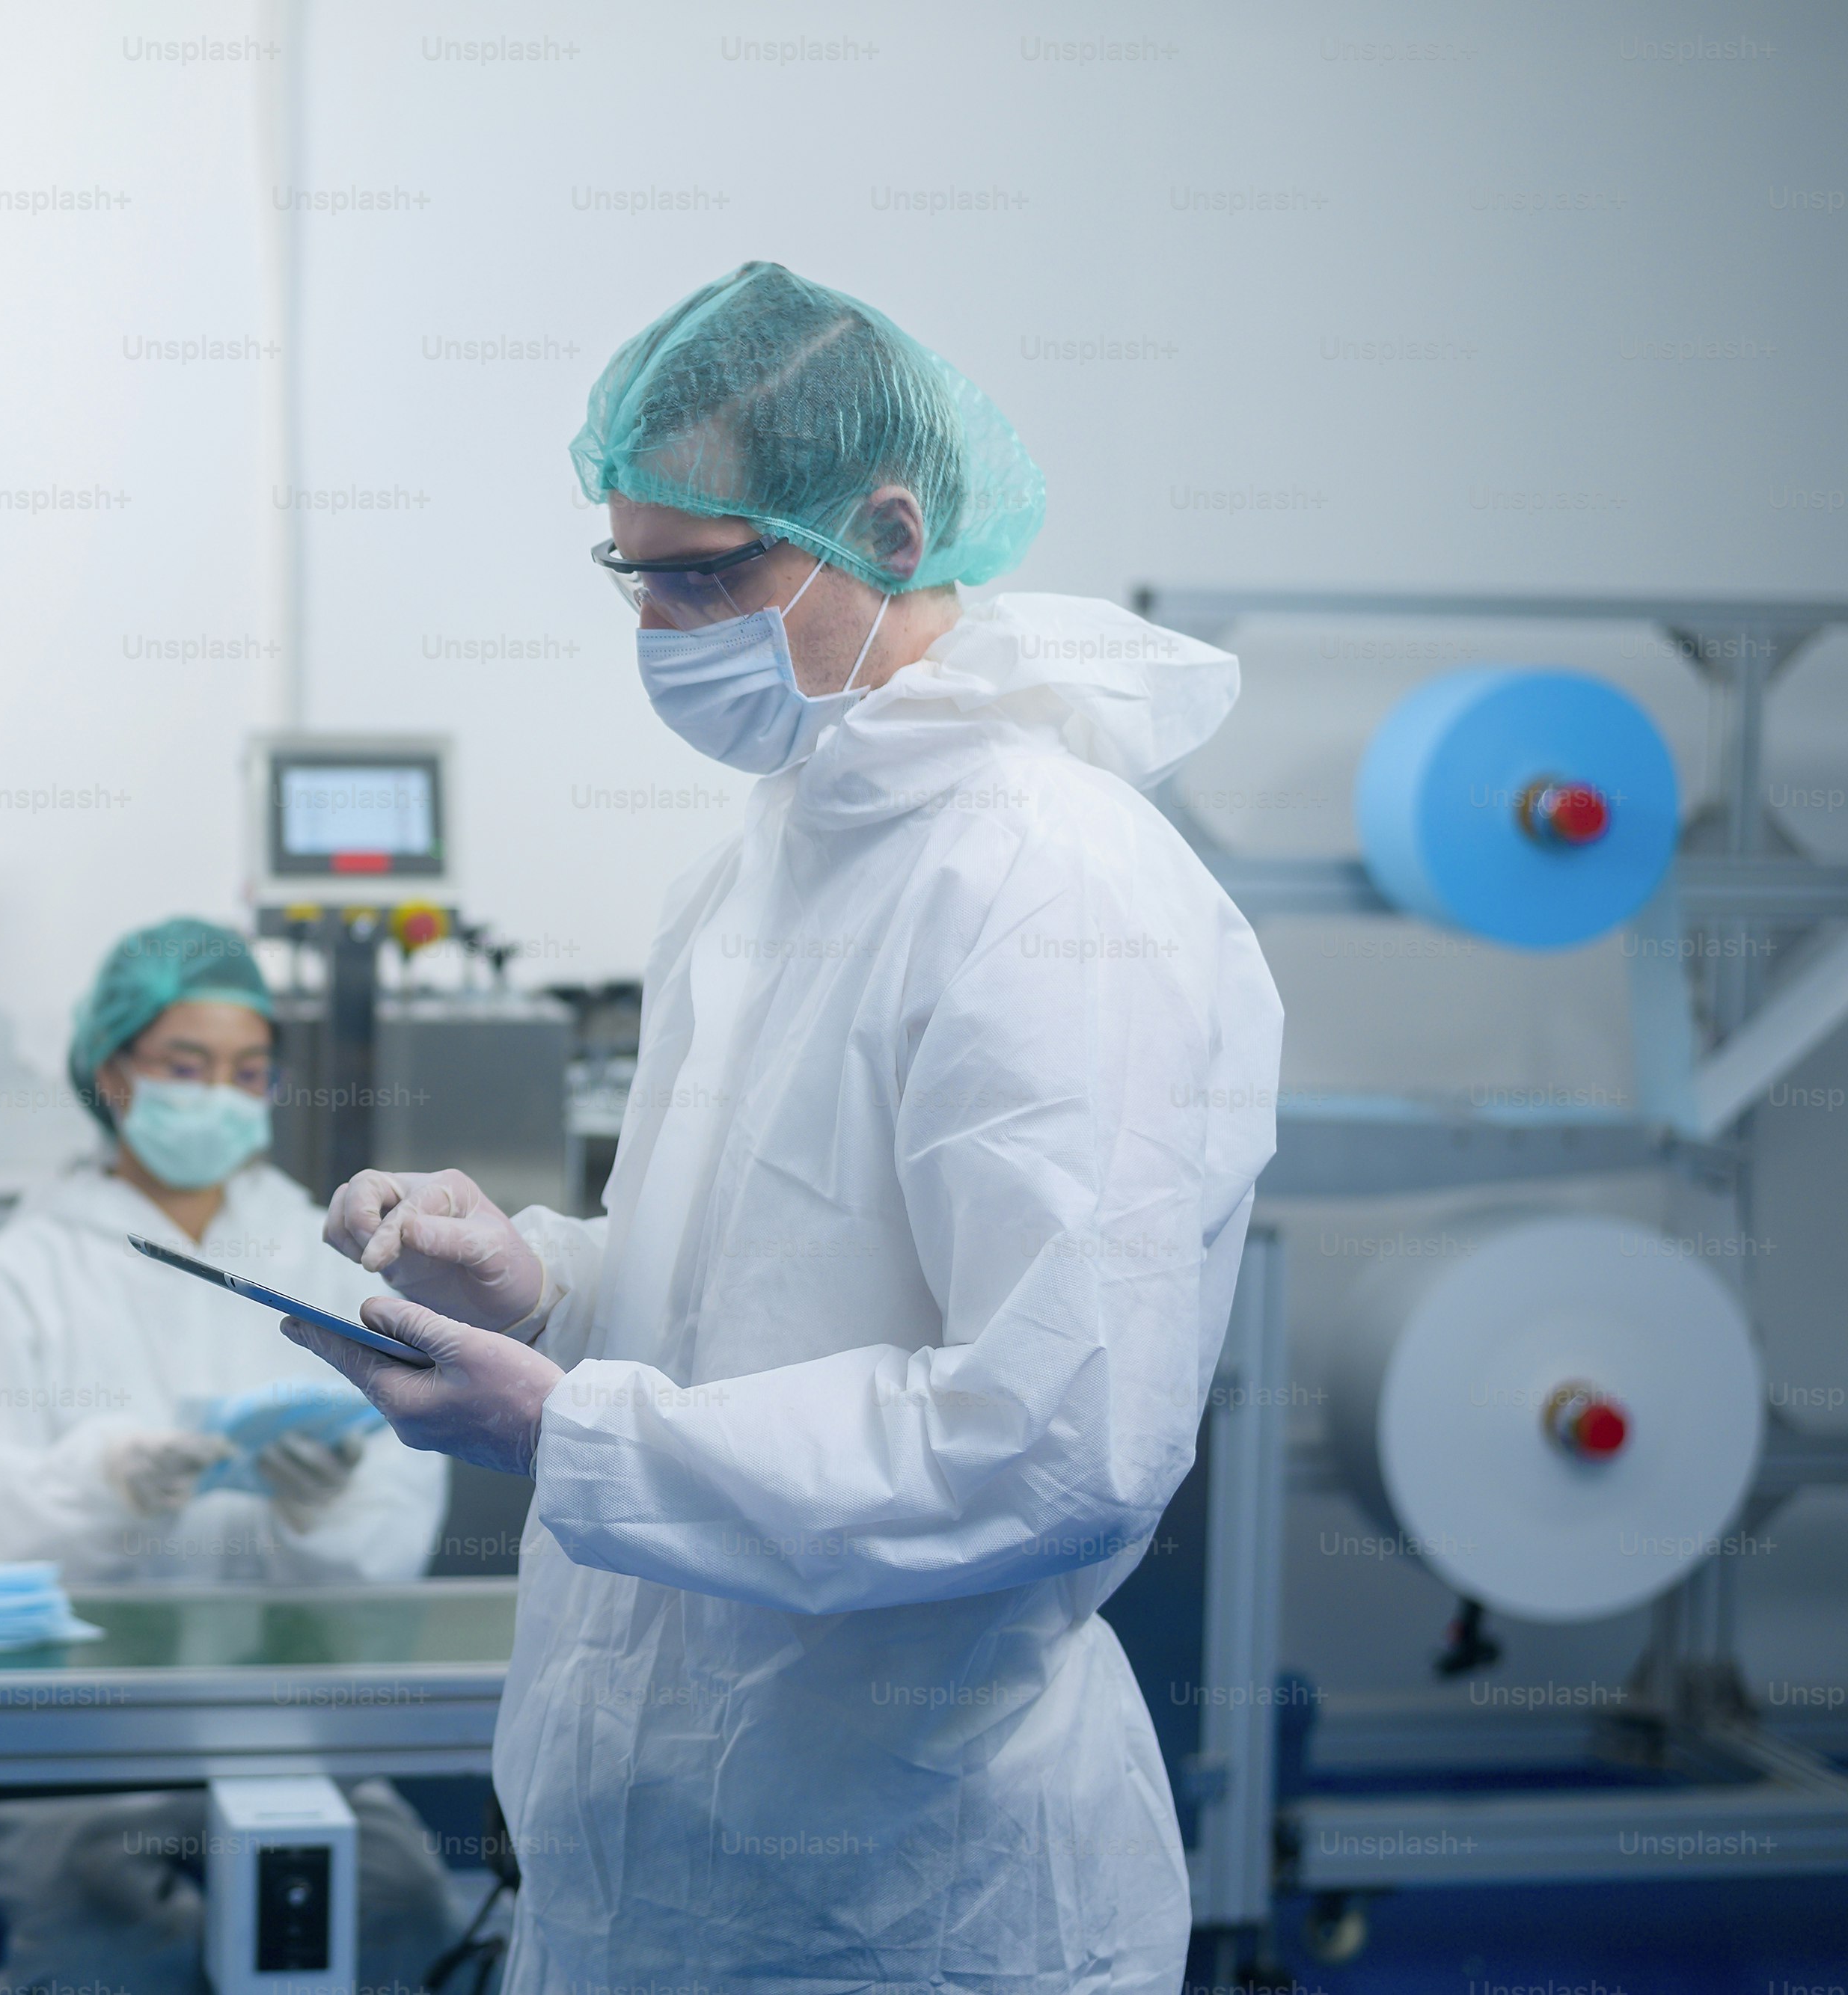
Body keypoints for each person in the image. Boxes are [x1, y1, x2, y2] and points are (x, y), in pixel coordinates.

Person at [279, 263, 1284, 1992]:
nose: (666, 631)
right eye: (636, 581)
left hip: (908, 1897)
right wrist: (545, 1291)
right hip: (665, 1870)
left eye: (710, 576)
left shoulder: (1050, 882)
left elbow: (1054, 1427)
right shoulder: (757, 864)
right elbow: (747, 1299)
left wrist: (577, 1437)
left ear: (885, 528)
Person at [0, 916, 462, 1994]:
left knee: (396, 1909)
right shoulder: (12, 1279)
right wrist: (99, 1487)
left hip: (289, 1727)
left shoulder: (319, 1260)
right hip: (60, 1750)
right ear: (113, 1073)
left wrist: (327, 1510)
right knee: (117, 1932)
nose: (219, 1094)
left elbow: (397, 1521)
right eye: (184, 1066)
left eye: (248, 1071)